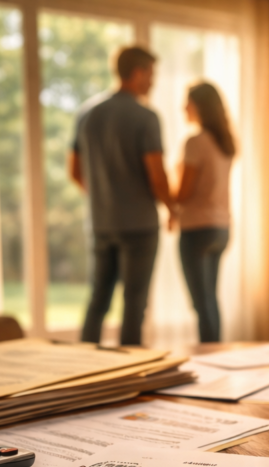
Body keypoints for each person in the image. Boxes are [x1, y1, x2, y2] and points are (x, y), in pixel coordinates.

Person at [70, 46, 172, 346]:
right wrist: (172, 208)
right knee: (134, 303)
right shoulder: (145, 116)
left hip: (101, 223)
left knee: (97, 298)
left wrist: (103, 195)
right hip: (139, 226)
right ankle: (130, 375)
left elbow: (75, 171)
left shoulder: (87, 113)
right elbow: (157, 174)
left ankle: (82, 365)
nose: (152, 82)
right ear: (138, 73)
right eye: (152, 75)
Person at [172, 82, 235, 343]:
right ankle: (216, 352)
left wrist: (161, 191)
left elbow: (183, 193)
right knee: (210, 299)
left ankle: (210, 356)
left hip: (197, 229)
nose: (183, 107)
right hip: (222, 228)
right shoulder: (225, 142)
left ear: (199, 105)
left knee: (201, 303)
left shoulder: (196, 142)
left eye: (188, 101)